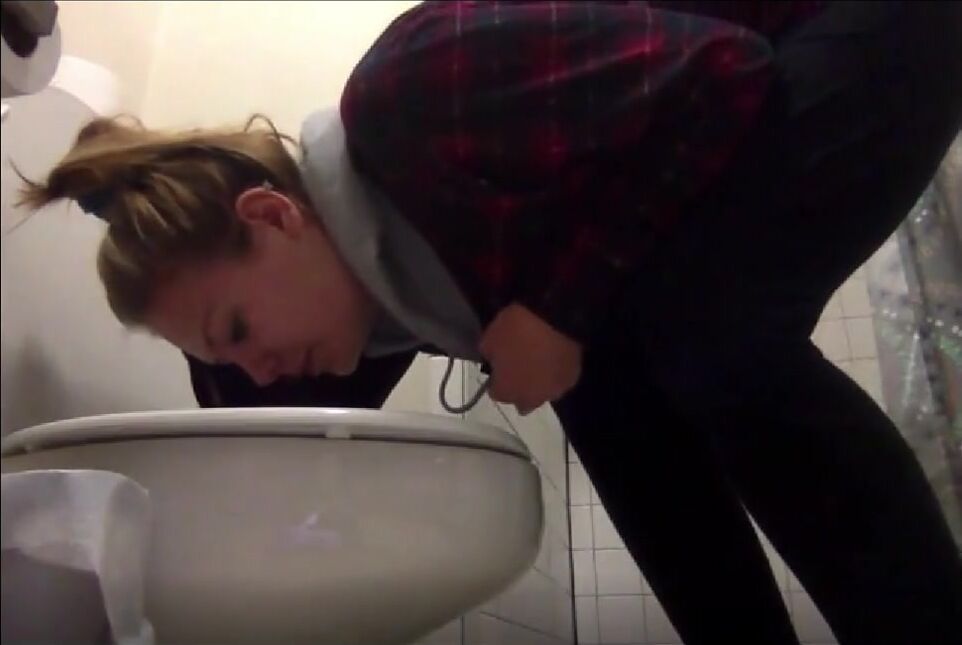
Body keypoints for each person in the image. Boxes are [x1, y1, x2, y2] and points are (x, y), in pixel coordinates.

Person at [18, 1, 962, 643]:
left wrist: (558, 306)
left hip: (858, 28)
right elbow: (254, 428)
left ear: (272, 215)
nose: (258, 366)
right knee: (609, 402)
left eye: (233, 328)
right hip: (747, 119)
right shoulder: (387, 295)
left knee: (702, 333)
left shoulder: (409, 96)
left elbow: (725, 74)